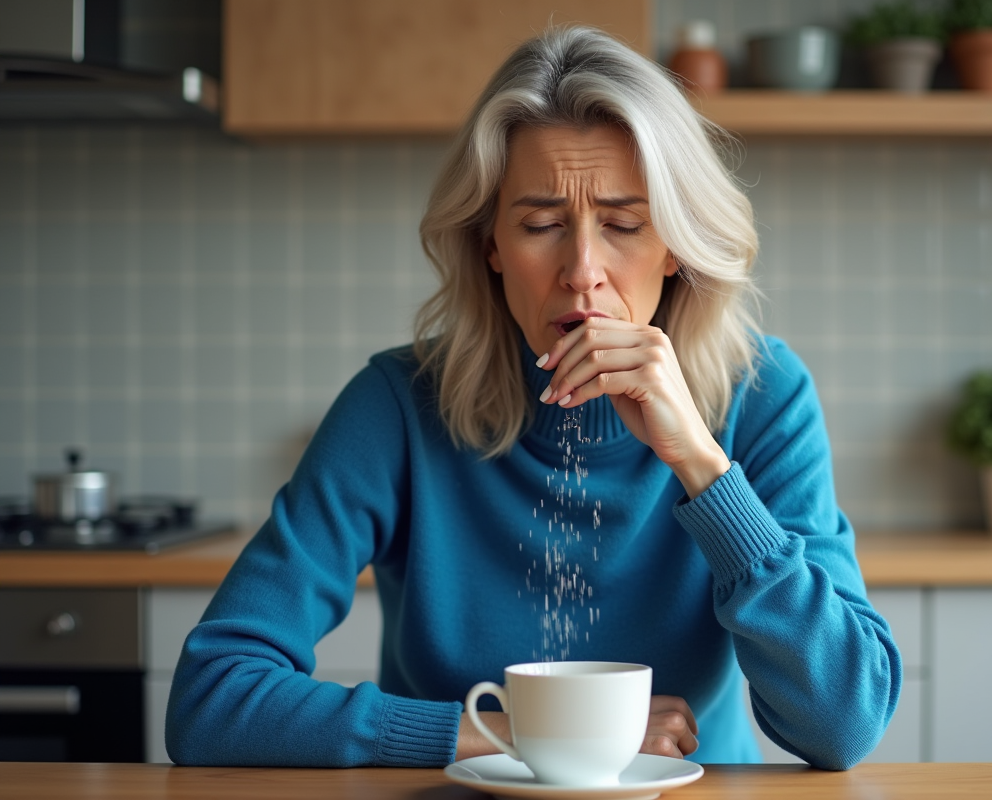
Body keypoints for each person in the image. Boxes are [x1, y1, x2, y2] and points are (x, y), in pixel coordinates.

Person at [165, 26, 901, 771]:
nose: (583, 270)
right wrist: (512, 735)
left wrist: (704, 469)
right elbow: (211, 700)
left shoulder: (763, 397)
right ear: (490, 244)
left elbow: (843, 726)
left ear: (675, 244)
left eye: (622, 224)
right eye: (541, 224)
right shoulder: (397, 408)